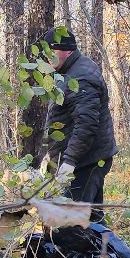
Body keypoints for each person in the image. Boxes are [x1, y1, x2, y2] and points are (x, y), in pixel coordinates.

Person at [41, 26, 117, 222]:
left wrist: (69, 162)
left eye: (52, 51)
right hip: (86, 159)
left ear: (67, 50)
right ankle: (103, 252)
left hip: (86, 162)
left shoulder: (80, 76)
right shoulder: (70, 70)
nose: (47, 56)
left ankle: (100, 251)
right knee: (92, 219)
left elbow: (85, 125)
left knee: (73, 223)